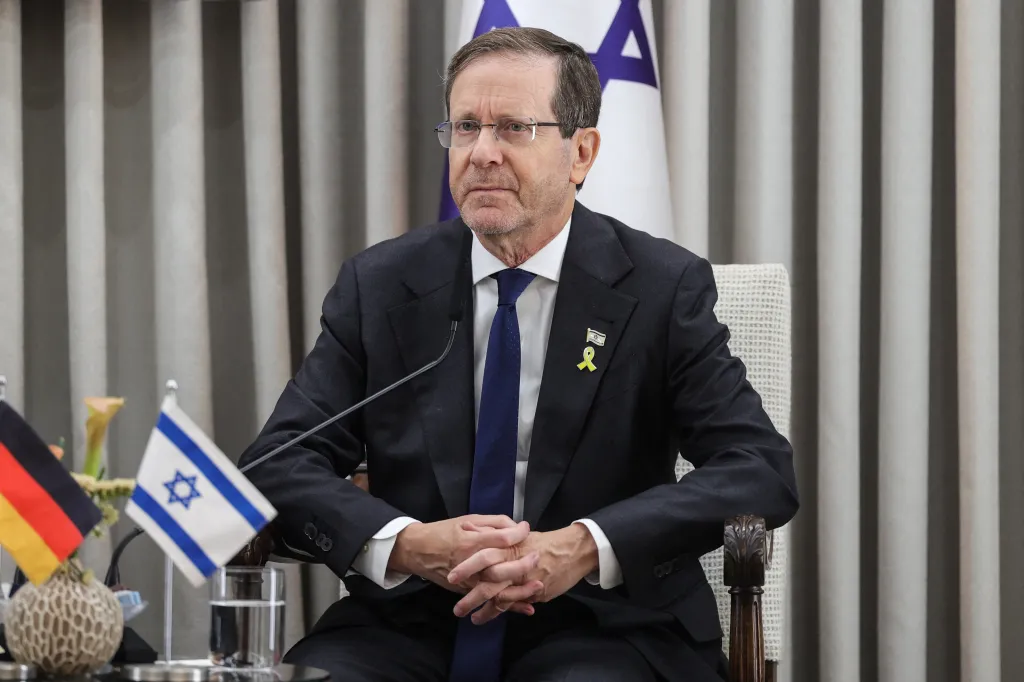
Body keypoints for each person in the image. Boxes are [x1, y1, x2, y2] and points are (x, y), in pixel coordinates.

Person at [238, 26, 798, 682]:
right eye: (465, 127)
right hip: (410, 619)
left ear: (581, 152)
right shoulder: (384, 285)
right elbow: (276, 463)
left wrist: (585, 545)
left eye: (513, 129)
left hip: (605, 622)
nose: (481, 153)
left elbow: (759, 468)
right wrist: (409, 544)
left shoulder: (659, 287)